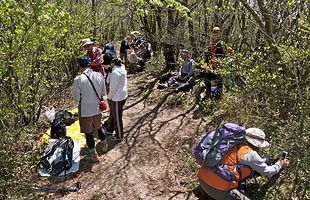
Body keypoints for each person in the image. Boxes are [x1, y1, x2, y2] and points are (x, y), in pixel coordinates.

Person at [194, 128, 290, 200]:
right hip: (219, 190)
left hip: (202, 181)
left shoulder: (229, 143)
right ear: (256, 145)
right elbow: (268, 172)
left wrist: (265, 161)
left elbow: (231, 162)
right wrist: (280, 164)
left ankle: (203, 193)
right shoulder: (249, 153)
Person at [73, 57, 108, 162]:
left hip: (85, 110)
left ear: (80, 66)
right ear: (90, 65)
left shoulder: (78, 79)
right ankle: (104, 145)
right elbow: (103, 93)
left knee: (88, 133)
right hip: (97, 107)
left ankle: (93, 155)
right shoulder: (99, 75)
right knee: (99, 127)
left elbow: (77, 98)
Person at [102, 54, 128, 141]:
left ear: (110, 63)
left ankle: (119, 136)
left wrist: (108, 97)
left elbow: (113, 88)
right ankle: (109, 130)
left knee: (117, 117)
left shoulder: (115, 73)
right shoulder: (121, 66)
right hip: (122, 94)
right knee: (113, 114)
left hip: (117, 97)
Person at [201, 27, 225, 99]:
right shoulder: (210, 44)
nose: (215, 35)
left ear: (220, 34)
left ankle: (219, 94)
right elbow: (206, 54)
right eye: (214, 33)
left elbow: (224, 54)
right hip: (210, 65)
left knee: (219, 80)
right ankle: (208, 93)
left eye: (217, 33)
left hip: (218, 65)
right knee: (207, 78)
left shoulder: (222, 44)